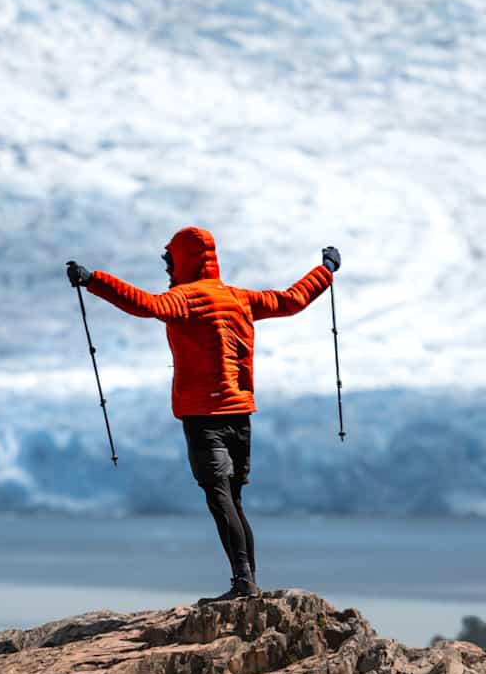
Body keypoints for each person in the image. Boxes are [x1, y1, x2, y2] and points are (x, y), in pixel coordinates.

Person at [67, 227, 340, 602]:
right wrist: (325, 269)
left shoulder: (184, 299)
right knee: (233, 498)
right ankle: (247, 582)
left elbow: (143, 304)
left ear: (183, 260)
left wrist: (91, 279)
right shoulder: (240, 298)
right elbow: (292, 300)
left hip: (203, 417)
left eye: (169, 261)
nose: (166, 269)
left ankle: (243, 585)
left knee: (219, 496)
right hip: (240, 414)